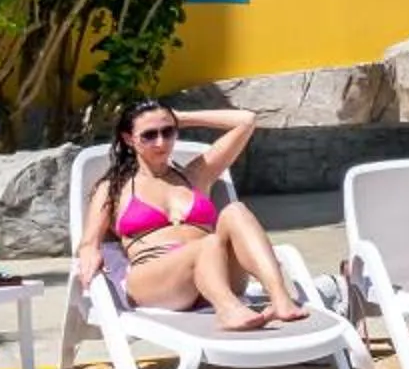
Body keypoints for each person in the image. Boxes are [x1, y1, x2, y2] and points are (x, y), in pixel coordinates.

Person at [73, 103, 312, 332]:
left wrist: (181, 117)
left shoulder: (196, 175)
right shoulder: (114, 187)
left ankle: (280, 299)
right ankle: (228, 310)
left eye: (168, 131)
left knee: (235, 211)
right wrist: (90, 262)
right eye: (149, 135)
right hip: (158, 283)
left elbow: (246, 121)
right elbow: (88, 243)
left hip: (218, 272)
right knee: (206, 243)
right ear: (128, 139)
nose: (161, 142)